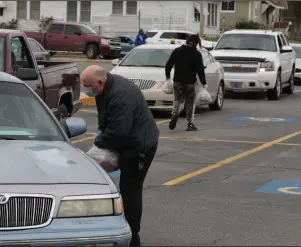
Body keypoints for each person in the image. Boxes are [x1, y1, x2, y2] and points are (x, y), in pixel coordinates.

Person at [81, 65, 159, 247]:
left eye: (88, 86)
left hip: (140, 146)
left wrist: (99, 143)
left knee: (130, 189)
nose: (86, 91)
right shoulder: (103, 90)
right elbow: (105, 120)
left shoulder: (121, 95)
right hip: (127, 141)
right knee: (119, 187)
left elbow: (118, 132)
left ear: (100, 82)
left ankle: (132, 237)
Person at [165, 34, 207, 131]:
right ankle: (189, 123)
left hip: (177, 81)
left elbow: (168, 65)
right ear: (196, 43)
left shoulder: (177, 51)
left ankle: (175, 114)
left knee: (177, 100)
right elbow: (200, 70)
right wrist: (204, 83)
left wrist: (168, 77)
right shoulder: (196, 54)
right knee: (190, 103)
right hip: (190, 83)